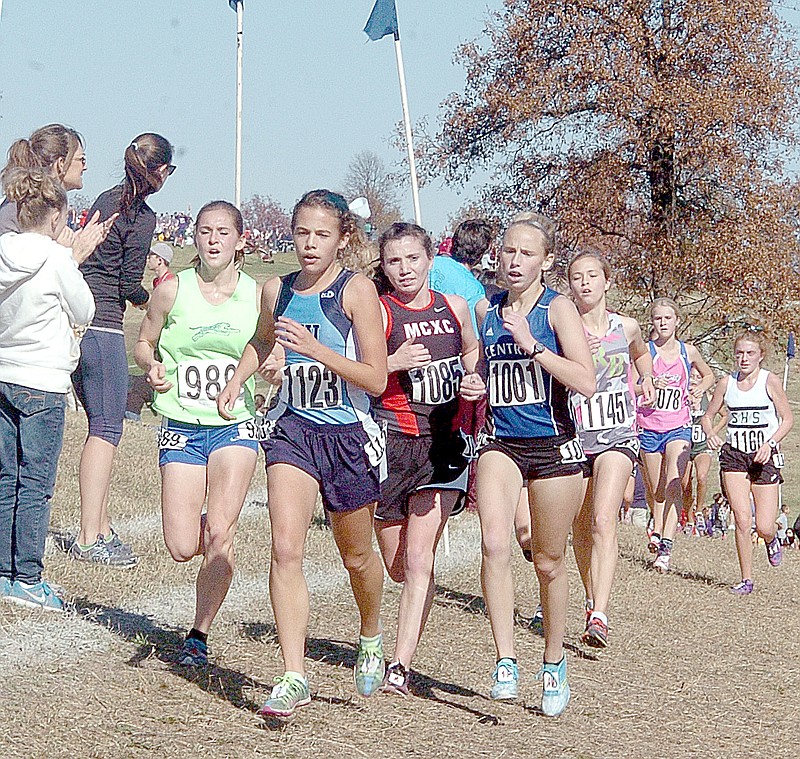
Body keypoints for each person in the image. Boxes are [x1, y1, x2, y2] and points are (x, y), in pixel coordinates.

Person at [217, 189, 388, 717]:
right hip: (293, 429)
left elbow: (377, 379)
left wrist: (317, 351)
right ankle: (293, 674)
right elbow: (261, 340)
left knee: (356, 556)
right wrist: (237, 380)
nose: (310, 244)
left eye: (322, 235)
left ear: (342, 239)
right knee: (285, 548)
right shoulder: (278, 289)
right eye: (302, 233)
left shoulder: (355, 291)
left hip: (348, 435)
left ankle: (370, 633)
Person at [459, 212, 595, 717]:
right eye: (508, 251)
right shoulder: (485, 308)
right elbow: (480, 368)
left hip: (554, 445)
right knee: (494, 542)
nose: (514, 261)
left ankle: (554, 661)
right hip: (501, 442)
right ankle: (505, 660)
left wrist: (532, 345)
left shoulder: (557, 310)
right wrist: (475, 383)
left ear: (545, 261)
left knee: (547, 560)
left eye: (526, 253)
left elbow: (586, 381)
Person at [134, 200, 261, 665]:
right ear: (195, 238)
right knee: (182, 545)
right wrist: (152, 366)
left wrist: (265, 372)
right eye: (205, 231)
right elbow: (144, 341)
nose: (213, 240)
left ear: (240, 240)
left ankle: (198, 635)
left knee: (221, 534)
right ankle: (208, 528)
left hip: (235, 426)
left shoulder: (257, 294)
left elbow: (268, 350)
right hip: (182, 424)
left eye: (223, 232)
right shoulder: (172, 289)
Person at [371, 222, 478, 695]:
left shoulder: (454, 308)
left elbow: (473, 352)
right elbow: (360, 371)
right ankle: (390, 641)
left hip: (443, 444)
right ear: (384, 266)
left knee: (419, 559)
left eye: (412, 259)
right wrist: (392, 363)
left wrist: (474, 381)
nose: (404, 269)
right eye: (394, 261)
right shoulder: (379, 311)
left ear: (430, 261)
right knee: (398, 565)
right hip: (392, 441)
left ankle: (400, 665)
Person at [0, 167, 107, 609]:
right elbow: (85, 307)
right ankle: (27, 575)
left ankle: (4, 572)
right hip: (42, 381)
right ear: (55, 217)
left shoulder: (3, 248)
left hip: (4, 371)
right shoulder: (56, 257)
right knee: (36, 483)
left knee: (6, 478)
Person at [70, 133, 174, 567]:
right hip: (104, 326)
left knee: (101, 425)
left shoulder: (106, 198)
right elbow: (128, 283)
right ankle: (89, 536)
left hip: (77, 320)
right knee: (107, 429)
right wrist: (159, 300)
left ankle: (103, 524)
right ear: (160, 171)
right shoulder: (142, 216)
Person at [567, 251, 655, 648]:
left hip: (618, 433)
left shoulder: (628, 326)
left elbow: (640, 353)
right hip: (574, 434)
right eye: (576, 277)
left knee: (605, 518)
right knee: (581, 527)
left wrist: (648, 380)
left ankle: (600, 613)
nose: (584, 283)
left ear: (607, 282)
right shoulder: (563, 327)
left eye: (591, 276)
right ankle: (590, 596)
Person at [702, 331, 793, 594]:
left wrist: (770, 444)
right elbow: (708, 417)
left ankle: (771, 539)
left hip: (764, 457)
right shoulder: (726, 383)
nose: (744, 358)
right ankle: (746, 579)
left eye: (750, 353)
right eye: (739, 353)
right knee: (742, 519)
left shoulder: (770, 381)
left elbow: (787, 419)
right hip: (734, 456)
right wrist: (710, 434)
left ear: (760, 356)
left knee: (764, 524)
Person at [637, 298, 714, 572]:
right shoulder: (644, 352)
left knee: (675, 483)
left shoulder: (688, 352)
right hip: (648, 425)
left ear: (676, 321)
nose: (663, 323)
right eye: (658, 319)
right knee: (657, 490)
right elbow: (629, 385)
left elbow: (709, 376)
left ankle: (666, 546)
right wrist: (646, 386)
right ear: (652, 322)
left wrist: (699, 388)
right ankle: (654, 522)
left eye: (668, 318)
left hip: (678, 425)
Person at [0, 123, 113, 259]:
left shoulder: (30, 200)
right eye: (82, 159)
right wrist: (73, 254)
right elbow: (25, 269)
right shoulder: (29, 205)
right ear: (61, 164)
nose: (85, 167)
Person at [682, 367, 727, 533]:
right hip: (685, 446)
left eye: (697, 377)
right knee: (685, 483)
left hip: (702, 446)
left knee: (702, 476)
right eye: (691, 376)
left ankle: (699, 510)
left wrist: (712, 432)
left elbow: (724, 415)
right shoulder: (682, 396)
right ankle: (689, 517)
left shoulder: (708, 396)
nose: (694, 379)